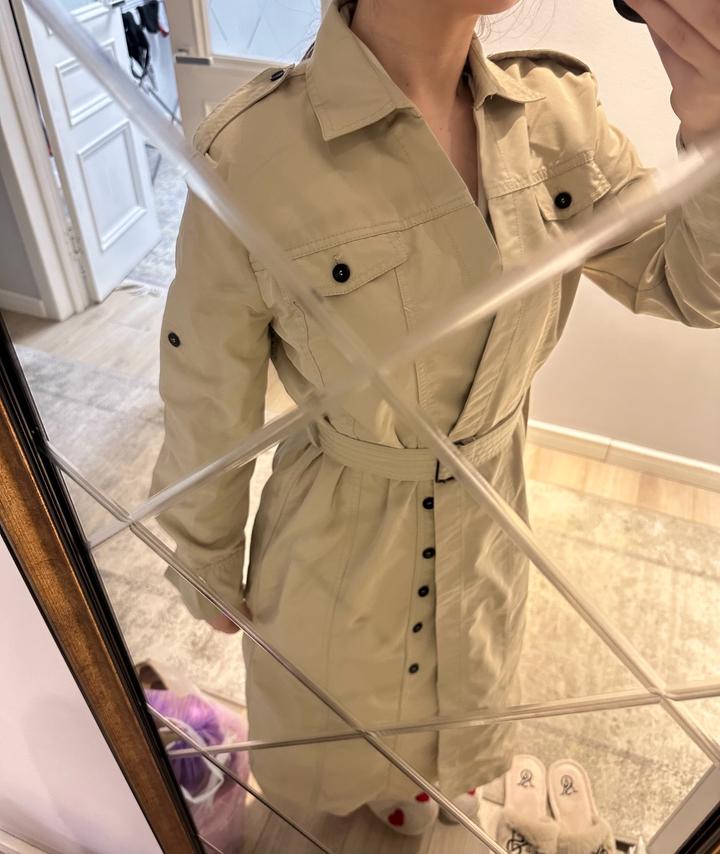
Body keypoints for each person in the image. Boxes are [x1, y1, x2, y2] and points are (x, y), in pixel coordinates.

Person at [149, 0, 720, 838]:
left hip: (490, 524)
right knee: (322, 772)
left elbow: (695, 285)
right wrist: (204, 554)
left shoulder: (555, 116)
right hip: (334, 550)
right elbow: (206, 385)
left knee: (454, 739)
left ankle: (418, 800)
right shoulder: (254, 153)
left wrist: (710, 131)